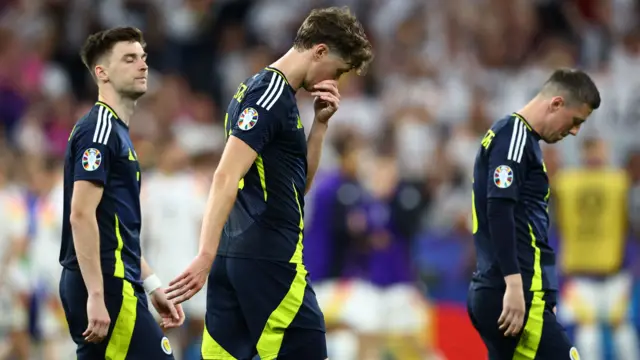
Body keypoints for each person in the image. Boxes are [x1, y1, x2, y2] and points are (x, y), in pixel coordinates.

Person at [165, 6, 374, 360]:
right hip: (271, 261)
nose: (334, 80)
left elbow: (296, 187)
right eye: (337, 70)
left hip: (237, 260)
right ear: (320, 51)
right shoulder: (270, 95)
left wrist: (320, 126)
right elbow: (225, 174)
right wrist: (204, 253)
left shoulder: (270, 93)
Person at [58, 27, 185, 359]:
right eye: (129, 59)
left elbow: (113, 224)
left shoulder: (116, 131)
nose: (143, 65)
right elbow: (81, 214)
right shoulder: (99, 130)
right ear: (102, 73)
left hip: (116, 279)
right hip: (107, 283)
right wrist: (97, 294)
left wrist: (153, 284)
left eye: (143, 57)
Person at [467, 68, 601, 359]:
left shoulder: (520, 141)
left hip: (513, 289)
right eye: (576, 120)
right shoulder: (513, 136)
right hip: (514, 291)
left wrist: (548, 294)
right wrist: (514, 285)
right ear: (556, 104)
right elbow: (499, 209)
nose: (576, 131)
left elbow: (529, 225)